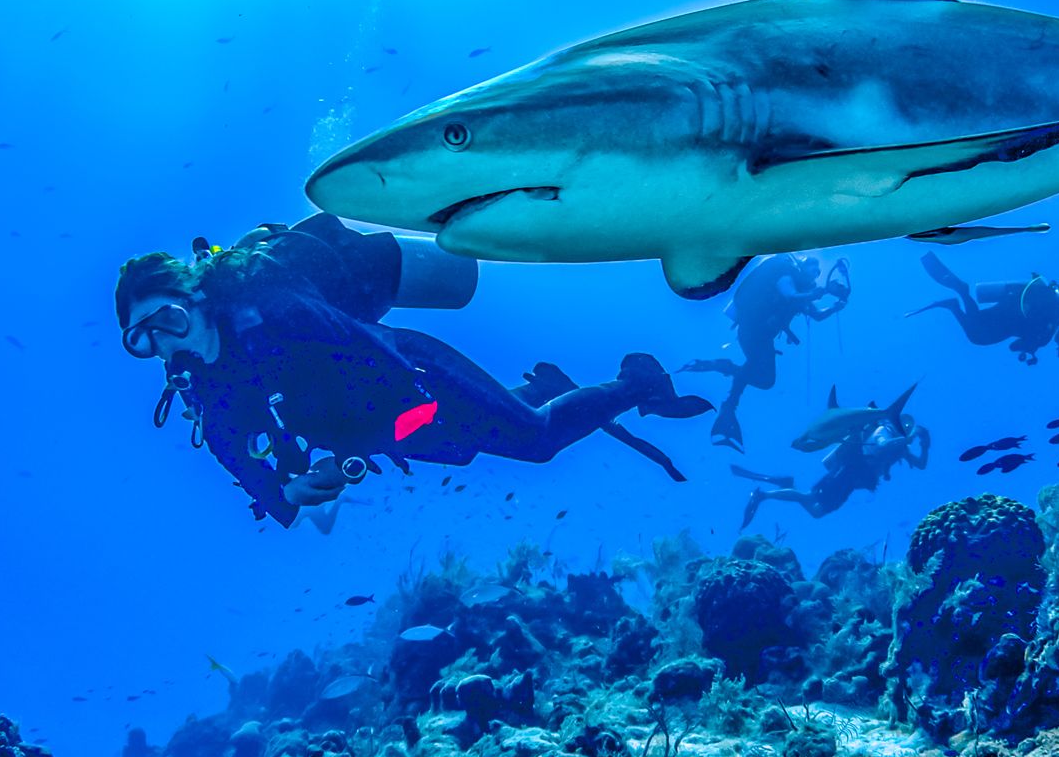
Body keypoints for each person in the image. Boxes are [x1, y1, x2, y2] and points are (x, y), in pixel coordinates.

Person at [116, 214, 710, 527]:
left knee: (536, 441)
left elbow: (371, 352)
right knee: (474, 446)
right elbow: (236, 455)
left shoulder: (272, 308)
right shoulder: (201, 385)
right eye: (142, 339)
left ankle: (639, 379)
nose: (164, 342)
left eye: (166, 318)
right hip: (378, 429)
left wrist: (426, 407)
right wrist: (287, 488)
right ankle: (539, 389)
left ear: (193, 297)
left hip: (413, 374)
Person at [681, 252, 850, 450]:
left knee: (765, 381)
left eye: (819, 271)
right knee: (758, 372)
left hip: (763, 337)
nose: (816, 273)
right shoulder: (786, 272)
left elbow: (817, 315)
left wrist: (836, 307)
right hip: (751, 331)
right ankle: (725, 382)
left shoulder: (804, 289)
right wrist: (822, 291)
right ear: (802, 267)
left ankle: (727, 387)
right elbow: (790, 295)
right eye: (813, 268)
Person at [735, 415, 929, 526]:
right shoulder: (884, 432)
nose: (906, 429)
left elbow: (920, 464)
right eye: (905, 426)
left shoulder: (900, 448)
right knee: (812, 500)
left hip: (853, 482)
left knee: (816, 511)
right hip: (847, 473)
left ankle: (786, 486)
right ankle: (763, 495)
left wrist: (925, 447)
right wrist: (911, 437)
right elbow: (883, 445)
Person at [908, 253, 1059, 364]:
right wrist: (1030, 349)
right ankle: (959, 296)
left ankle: (958, 299)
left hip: (1003, 310)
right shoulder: (1052, 321)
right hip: (1002, 324)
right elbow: (1015, 346)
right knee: (978, 337)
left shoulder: (1048, 306)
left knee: (977, 328)